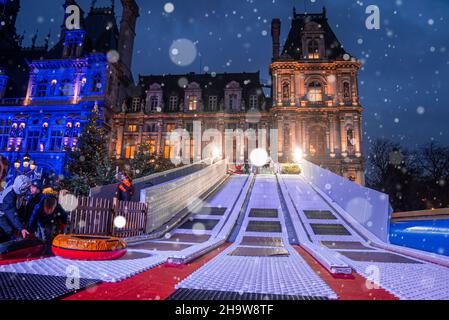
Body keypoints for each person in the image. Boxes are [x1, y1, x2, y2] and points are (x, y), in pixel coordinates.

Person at [0, 175, 31, 241]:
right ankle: (5, 246)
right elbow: (12, 214)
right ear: (21, 188)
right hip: (1, 214)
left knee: (12, 227)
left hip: (4, 212)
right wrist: (21, 228)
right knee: (8, 230)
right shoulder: (9, 198)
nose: (28, 190)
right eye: (26, 188)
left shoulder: (14, 190)